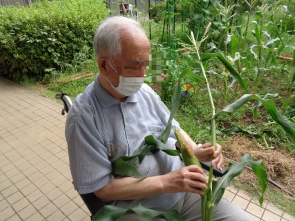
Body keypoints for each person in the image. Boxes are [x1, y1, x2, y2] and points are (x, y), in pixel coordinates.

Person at [65, 16, 252, 221]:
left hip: (184, 193)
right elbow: (102, 189)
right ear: (104, 65)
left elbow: (174, 129)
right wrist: (167, 182)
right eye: (136, 65)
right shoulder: (83, 119)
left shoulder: (145, 92)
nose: (145, 73)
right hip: (137, 209)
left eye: (147, 63)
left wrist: (197, 151)